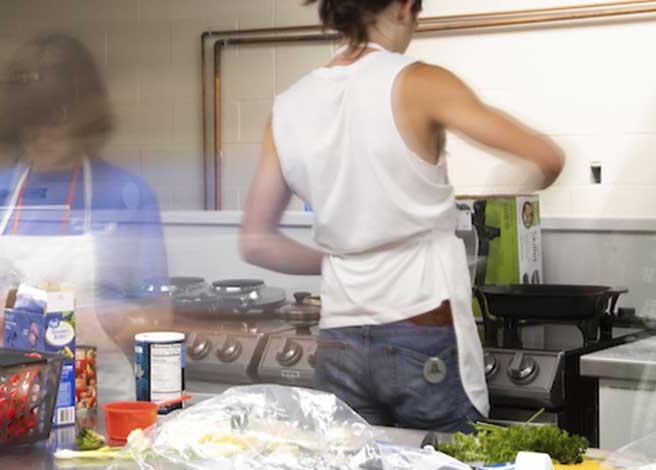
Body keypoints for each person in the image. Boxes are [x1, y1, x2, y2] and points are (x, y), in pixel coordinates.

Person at [241, 0, 564, 432]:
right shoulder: (419, 82)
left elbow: (256, 242)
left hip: (340, 336)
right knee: (446, 461)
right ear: (404, 7)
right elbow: (547, 157)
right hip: (422, 325)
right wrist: (516, 185)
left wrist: (343, 259)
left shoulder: (288, 107)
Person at [0, 34, 169, 404]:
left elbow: (158, 318)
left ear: (83, 118)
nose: (41, 133)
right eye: (29, 120)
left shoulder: (125, 195)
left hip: (100, 400)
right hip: (11, 399)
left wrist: (108, 320)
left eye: (56, 118)